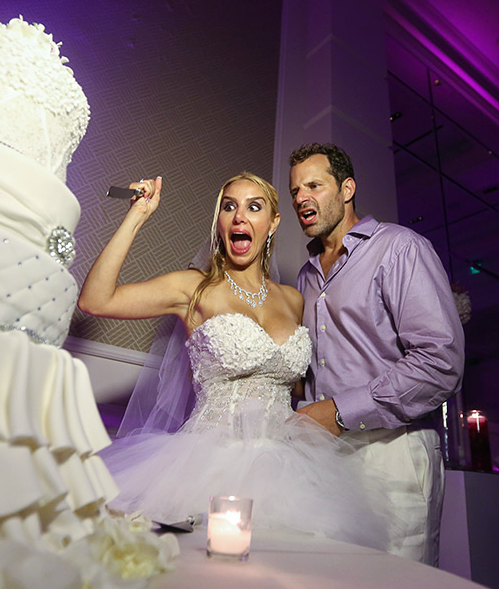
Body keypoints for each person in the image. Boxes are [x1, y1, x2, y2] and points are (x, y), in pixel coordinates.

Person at [78, 172, 392, 550]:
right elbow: (96, 300)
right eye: (230, 207)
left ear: (272, 223)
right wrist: (137, 215)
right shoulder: (194, 287)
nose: (240, 216)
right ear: (221, 223)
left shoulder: (294, 299)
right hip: (207, 463)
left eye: (254, 207)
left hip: (290, 466)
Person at [288, 142, 465, 565]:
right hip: (325, 459)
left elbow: (440, 363)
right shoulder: (304, 275)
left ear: (347, 188)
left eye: (314, 185)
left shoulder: (400, 248)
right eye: (295, 191)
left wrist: (337, 411)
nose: (300, 198)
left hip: (394, 455)